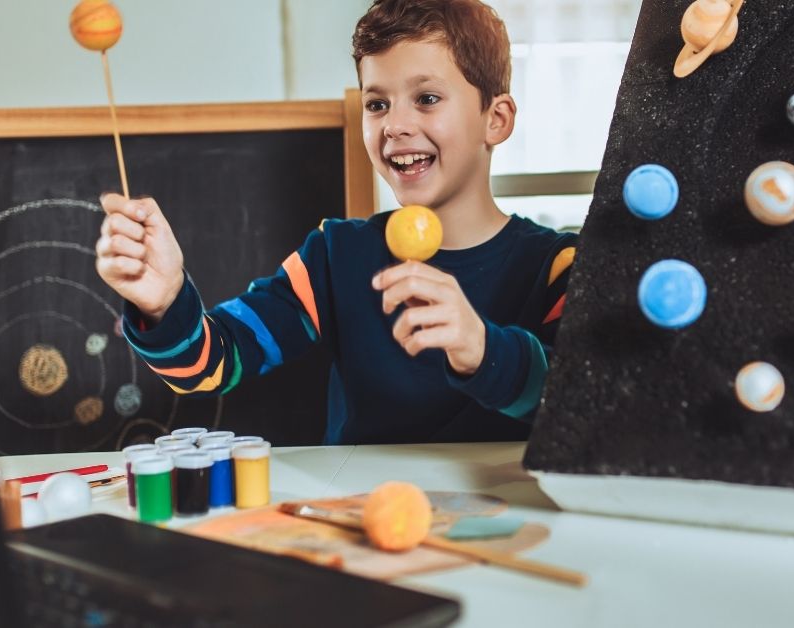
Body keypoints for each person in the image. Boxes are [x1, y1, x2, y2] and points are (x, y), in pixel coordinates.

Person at [95, 0, 578, 444]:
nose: (395, 125)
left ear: (496, 119)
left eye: (427, 98)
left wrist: (482, 347)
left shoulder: (557, 267)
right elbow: (212, 364)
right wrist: (164, 304)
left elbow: (583, 411)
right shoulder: (337, 255)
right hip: (362, 520)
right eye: (377, 104)